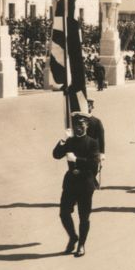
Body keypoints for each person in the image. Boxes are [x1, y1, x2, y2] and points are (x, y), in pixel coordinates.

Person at [52, 111, 100, 257]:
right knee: (64, 213)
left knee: (83, 217)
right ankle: (73, 237)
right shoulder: (70, 141)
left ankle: (81, 244)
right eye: (76, 125)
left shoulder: (93, 143)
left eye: (81, 125)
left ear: (86, 126)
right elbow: (56, 155)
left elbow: (94, 165)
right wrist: (62, 141)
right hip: (71, 183)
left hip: (86, 183)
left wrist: (76, 160)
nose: (78, 128)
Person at [86, 99, 106, 188]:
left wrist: (102, 153)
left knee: (92, 170)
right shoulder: (76, 120)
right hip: (80, 150)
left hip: (93, 151)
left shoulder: (97, 121)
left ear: (91, 107)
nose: (87, 107)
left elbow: (101, 138)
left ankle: (92, 182)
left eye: (89, 105)